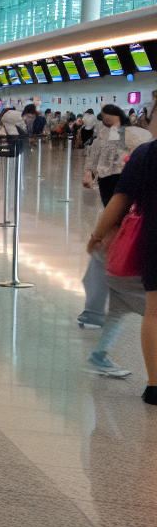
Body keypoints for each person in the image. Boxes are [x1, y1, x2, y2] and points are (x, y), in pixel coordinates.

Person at [81, 133, 157, 401]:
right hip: (142, 250)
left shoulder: (145, 156)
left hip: (144, 247)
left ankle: (153, 386)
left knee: (140, 312)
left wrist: (97, 236)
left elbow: (119, 201)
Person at [80, 107, 135, 328]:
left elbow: (122, 151)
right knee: (108, 243)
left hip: (120, 180)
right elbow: (96, 150)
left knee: (108, 246)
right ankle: (95, 310)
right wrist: (89, 170)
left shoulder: (133, 134)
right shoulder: (104, 130)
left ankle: (96, 310)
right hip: (111, 182)